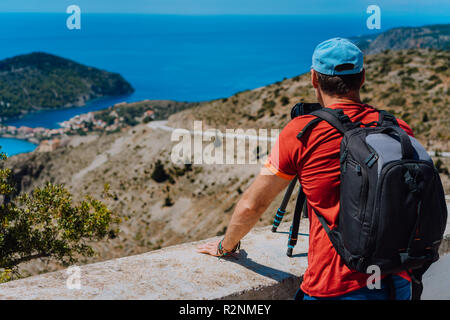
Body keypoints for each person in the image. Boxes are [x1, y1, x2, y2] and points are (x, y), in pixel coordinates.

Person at [197, 38, 412, 300]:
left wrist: (225, 246)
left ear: (314, 78)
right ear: (363, 77)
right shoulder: (397, 127)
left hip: (337, 286)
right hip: (397, 280)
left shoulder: (302, 131)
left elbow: (253, 205)